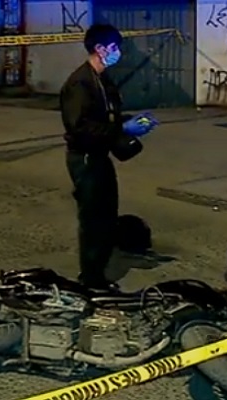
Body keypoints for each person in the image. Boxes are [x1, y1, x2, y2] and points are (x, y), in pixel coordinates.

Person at [59, 23, 158, 290]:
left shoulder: (102, 79)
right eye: (114, 47)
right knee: (93, 220)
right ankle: (91, 280)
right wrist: (124, 129)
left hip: (100, 157)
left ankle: (98, 272)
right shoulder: (80, 83)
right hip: (85, 160)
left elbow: (107, 118)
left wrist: (133, 122)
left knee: (105, 215)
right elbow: (80, 128)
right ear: (100, 49)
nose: (118, 52)